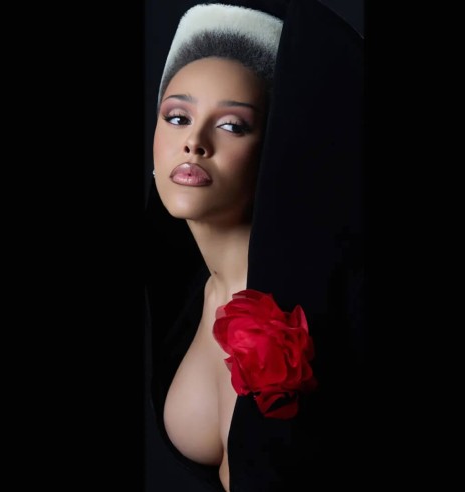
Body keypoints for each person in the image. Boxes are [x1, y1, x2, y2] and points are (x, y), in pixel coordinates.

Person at [144, 1, 365, 490]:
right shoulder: (184, 295)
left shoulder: (332, 299)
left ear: (273, 152)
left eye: (232, 125)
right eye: (177, 117)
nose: (194, 142)